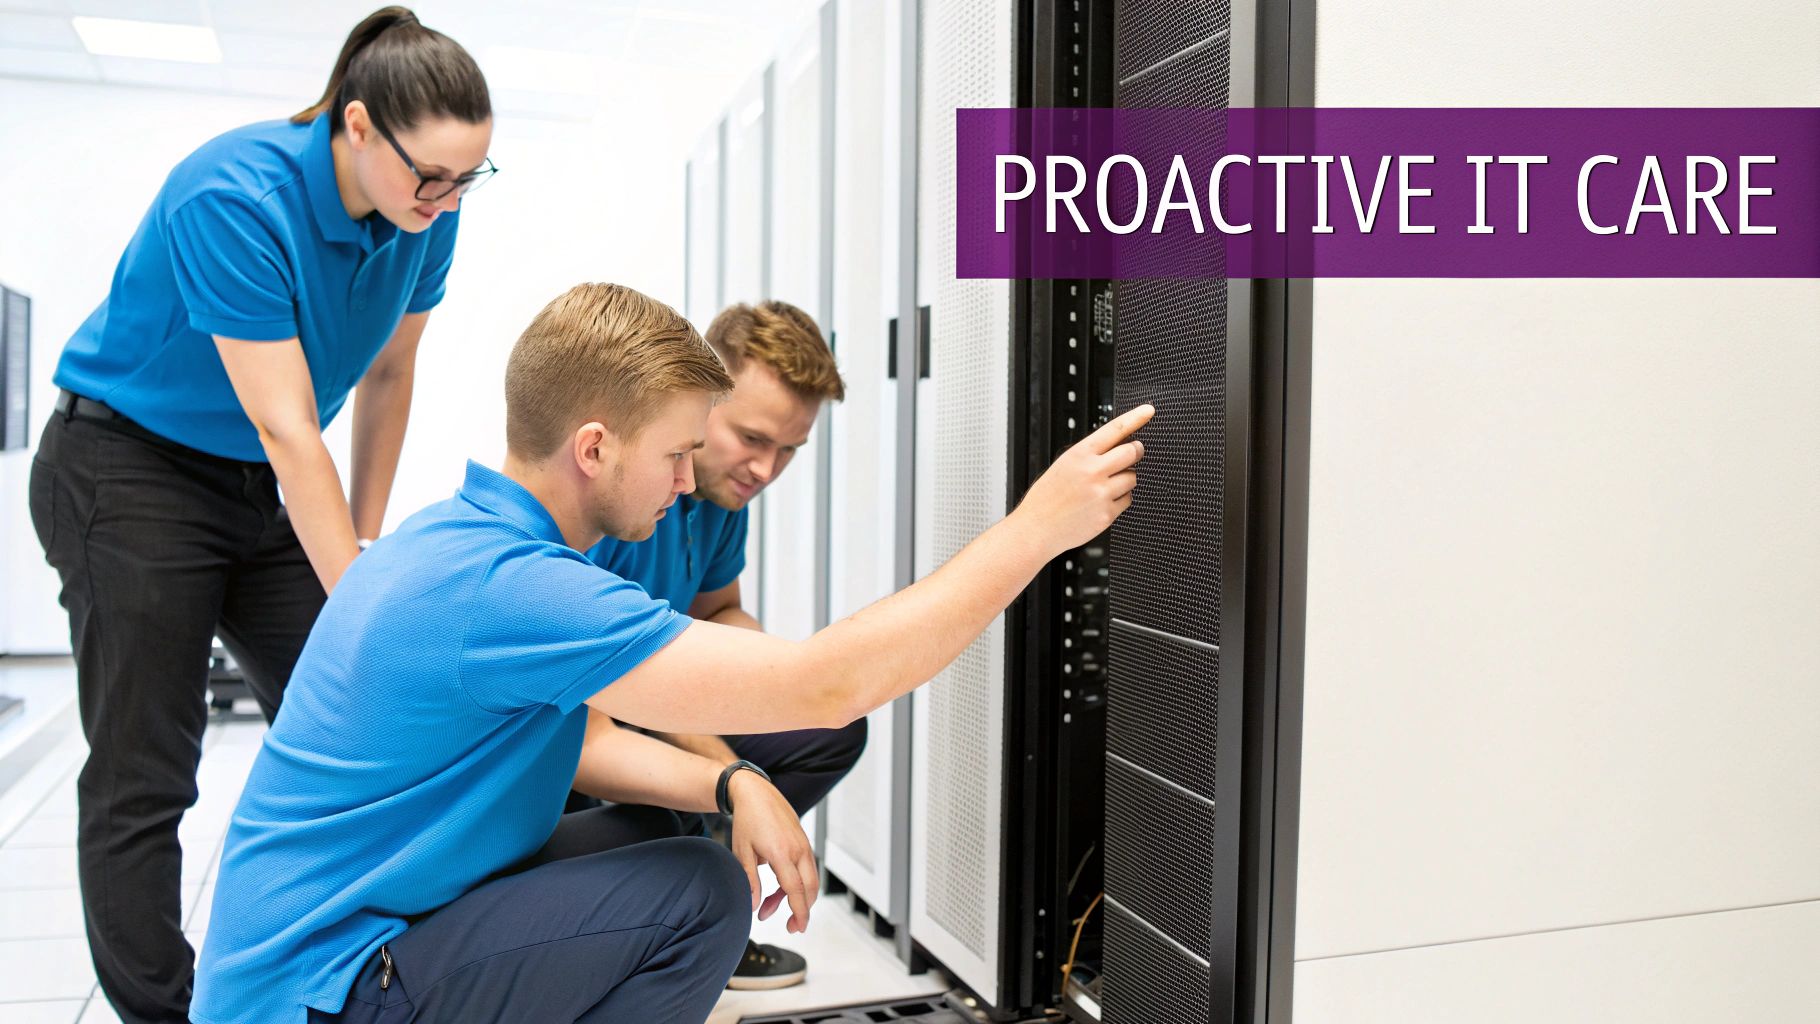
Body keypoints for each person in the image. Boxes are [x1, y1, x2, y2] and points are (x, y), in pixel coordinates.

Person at [190, 282, 1152, 1024]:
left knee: (668, 842)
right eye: (677, 453)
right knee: (697, 891)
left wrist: (731, 786)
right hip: (324, 988)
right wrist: (1036, 527)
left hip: (348, 937)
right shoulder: (516, 588)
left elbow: (576, 744)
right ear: (596, 448)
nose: (693, 480)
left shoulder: (466, 540)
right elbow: (830, 685)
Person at [25, 8, 493, 1022]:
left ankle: (349, 970)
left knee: (359, 717)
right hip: (127, 464)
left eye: (469, 178)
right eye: (433, 176)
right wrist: (365, 595)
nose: (450, 200)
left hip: (255, 483)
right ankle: (167, 1010)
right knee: (149, 762)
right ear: (358, 127)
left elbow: (390, 374)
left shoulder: (426, 214)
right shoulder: (233, 195)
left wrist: (362, 542)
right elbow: (289, 429)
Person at [581, 299, 853, 989]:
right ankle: (677, 914)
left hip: (652, 696)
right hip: (586, 720)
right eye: (753, 438)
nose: (766, 469)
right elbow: (603, 709)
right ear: (700, 403)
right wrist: (738, 780)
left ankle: (702, 898)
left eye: (788, 450)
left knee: (828, 728)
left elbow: (718, 611)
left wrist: (786, 675)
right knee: (689, 787)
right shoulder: (620, 501)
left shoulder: (722, 500)